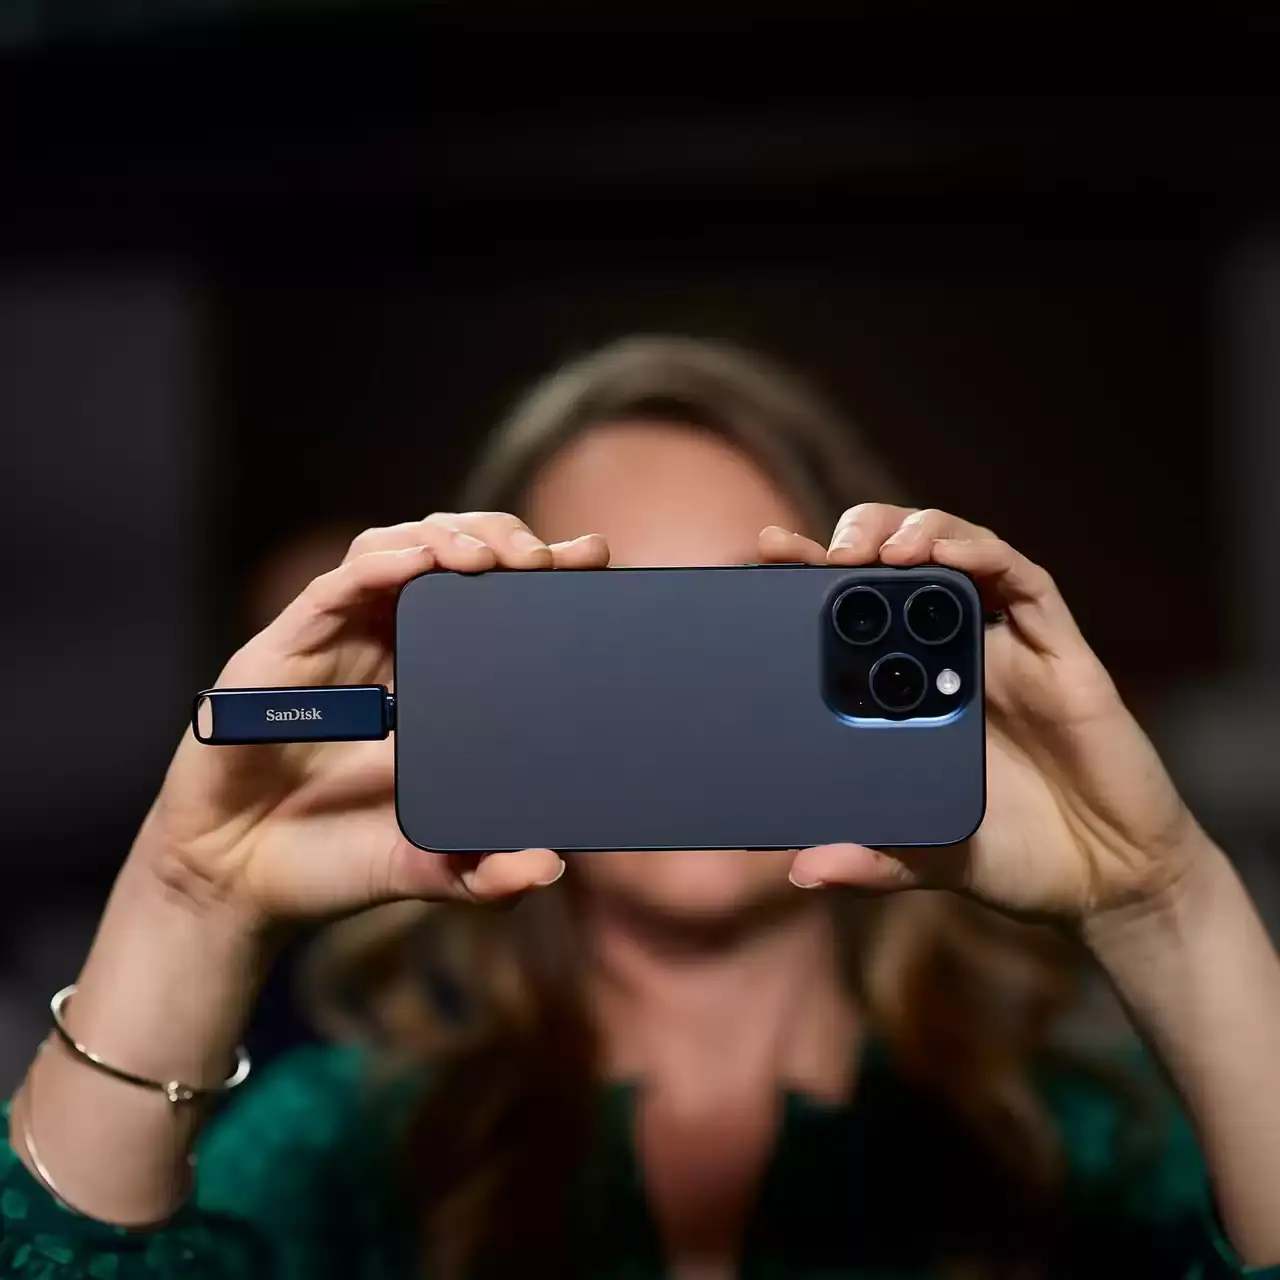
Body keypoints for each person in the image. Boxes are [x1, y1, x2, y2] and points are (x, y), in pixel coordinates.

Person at [2, 336, 1279, 1280]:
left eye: (736, 621)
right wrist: (188, 899)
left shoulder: (1079, 1144)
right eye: (614, 627)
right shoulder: (339, 1141)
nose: (684, 697)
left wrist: (1168, 903)